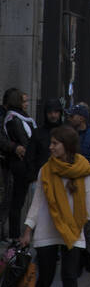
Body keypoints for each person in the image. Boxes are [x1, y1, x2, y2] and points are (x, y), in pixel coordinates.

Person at [20, 123, 90, 287]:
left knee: (70, 277)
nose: (51, 147)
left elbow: (89, 205)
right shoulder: (46, 169)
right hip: (47, 229)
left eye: (55, 143)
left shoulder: (84, 170)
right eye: (51, 143)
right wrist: (28, 229)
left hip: (74, 230)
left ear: (67, 146)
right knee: (45, 278)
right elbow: (37, 203)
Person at [2, 89, 36, 240]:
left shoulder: (21, 117)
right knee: (16, 200)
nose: (27, 104)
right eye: (24, 101)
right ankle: (14, 234)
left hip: (23, 162)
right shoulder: (13, 118)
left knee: (18, 199)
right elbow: (24, 139)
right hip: (19, 163)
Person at [25, 98, 64, 183]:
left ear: (60, 113)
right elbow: (30, 157)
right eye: (50, 113)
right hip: (40, 179)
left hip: (62, 178)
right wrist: (33, 178)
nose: (53, 115)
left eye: (56, 112)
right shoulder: (38, 133)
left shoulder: (66, 132)